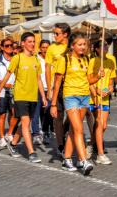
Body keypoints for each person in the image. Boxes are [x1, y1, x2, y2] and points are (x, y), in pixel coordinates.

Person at [0, 32, 47, 163]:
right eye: (29, 42)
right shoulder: (17, 58)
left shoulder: (36, 59)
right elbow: (6, 76)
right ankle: (32, 152)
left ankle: (13, 144)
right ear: (23, 44)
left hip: (33, 96)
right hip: (20, 96)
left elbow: (38, 79)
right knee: (25, 124)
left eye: (33, 41)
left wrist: (44, 97)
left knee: (24, 124)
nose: (32, 44)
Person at [51, 33, 100, 176]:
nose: (83, 47)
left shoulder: (86, 60)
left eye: (84, 44)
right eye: (80, 44)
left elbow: (88, 80)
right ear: (72, 45)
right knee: (79, 129)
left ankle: (66, 159)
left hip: (84, 97)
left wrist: (98, 76)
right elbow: (57, 82)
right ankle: (83, 160)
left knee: (73, 130)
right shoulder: (64, 59)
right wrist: (53, 104)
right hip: (70, 97)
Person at [88, 40, 116, 165]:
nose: (106, 47)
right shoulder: (93, 61)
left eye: (106, 45)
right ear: (97, 49)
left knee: (103, 126)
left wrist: (109, 90)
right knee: (99, 123)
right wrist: (96, 91)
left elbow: (111, 83)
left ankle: (91, 144)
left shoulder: (111, 62)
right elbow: (88, 80)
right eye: (103, 46)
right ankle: (100, 154)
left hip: (105, 99)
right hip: (94, 98)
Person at [46, 23, 71, 156]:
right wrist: (50, 88)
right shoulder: (51, 48)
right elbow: (47, 68)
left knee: (73, 116)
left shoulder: (72, 46)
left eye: (57, 33)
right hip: (58, 85)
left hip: (72, 84)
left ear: (65, 34)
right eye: (54, 33)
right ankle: (61, 146)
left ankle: (65, 131)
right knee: (58, 117)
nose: (54, 36)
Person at [0, 37, 19, 147]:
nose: (9, 48)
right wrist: (2, 83)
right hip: (2, 90)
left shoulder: (16, 59)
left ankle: (9, 133)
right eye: (7, 46)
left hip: (14, 90)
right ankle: (2, 137)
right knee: (2, 115)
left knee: (15, 114)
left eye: (11, 45)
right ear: (2, 48)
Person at [34, 40, 53, 145]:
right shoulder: (36, 59)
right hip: (37, 89)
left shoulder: (53, 60)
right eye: (43, 47)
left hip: (49, 89)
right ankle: (36, 134)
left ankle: (45, 132)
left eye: (47, 47)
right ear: (40, 48)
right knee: (36, 113)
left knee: (47, 113)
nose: (45, 50)